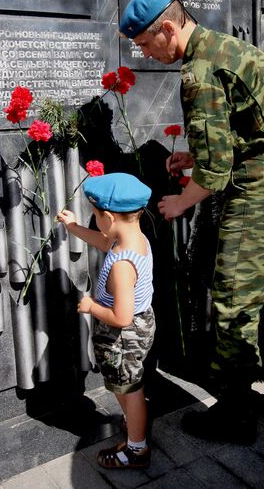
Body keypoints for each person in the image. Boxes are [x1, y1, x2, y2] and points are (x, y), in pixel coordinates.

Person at [119, 0, 264, 443]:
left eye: (148, 44)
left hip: (260, 194)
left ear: (168, 28)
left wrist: (180, 200)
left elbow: (216, 170)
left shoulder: (198, 72)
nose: (149, 54)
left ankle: (234, 412)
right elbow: (248, 126)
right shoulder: (227, 46)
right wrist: (194, 157)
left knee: (234, 301)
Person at [57, 172, 155, 468]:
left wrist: (90, 306)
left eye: (96, 215)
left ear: (110, 218)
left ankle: (136, 449)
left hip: (124, 334)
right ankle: (134, 421)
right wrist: (72, 226)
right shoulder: (133, 239)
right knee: (126, 384)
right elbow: (102, 241)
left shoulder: (122, 266)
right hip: (141, 324)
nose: (95, 221)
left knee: (129, 388)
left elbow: (121, 317)